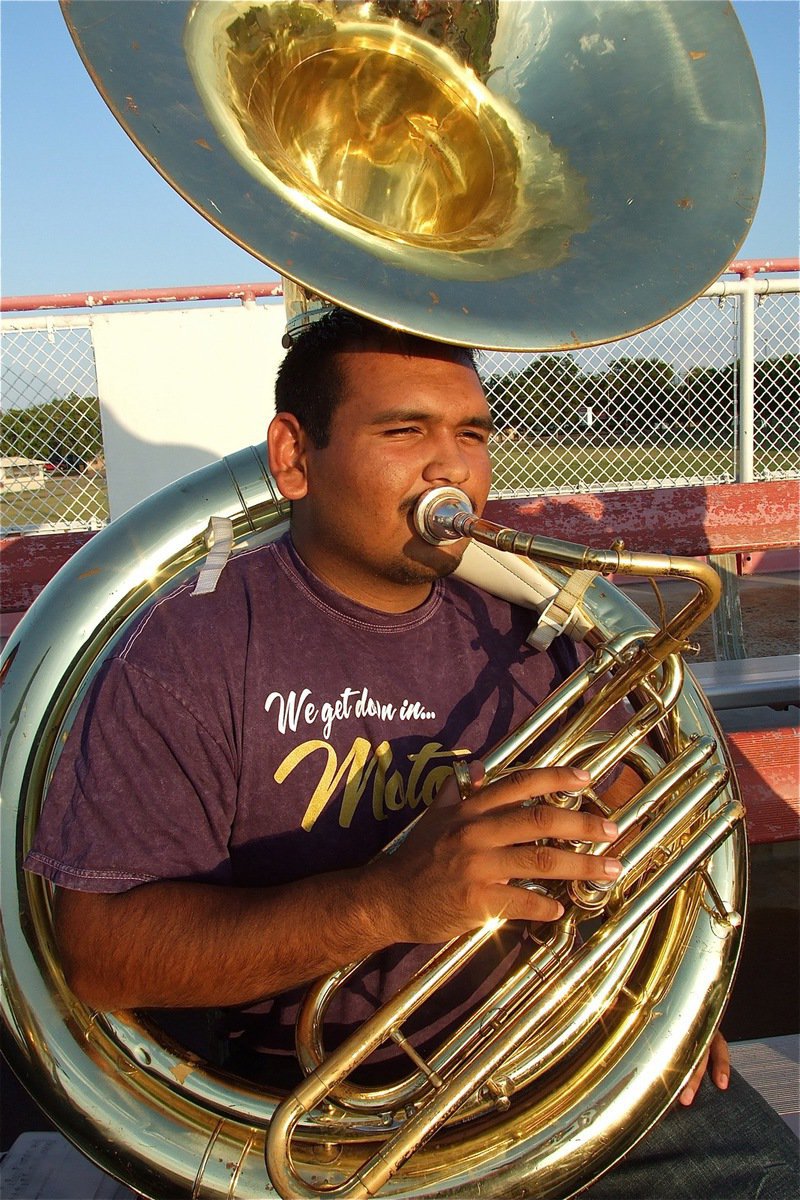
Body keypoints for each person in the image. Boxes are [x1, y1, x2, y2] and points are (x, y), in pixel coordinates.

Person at [25, 311, 798, 1197]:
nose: (451, 467)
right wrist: (387, 900)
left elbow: (642, 815)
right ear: (293, 457)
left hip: (566, 1062)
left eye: (472, 432)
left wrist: (666, 997)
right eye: (404, 431)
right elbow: (102, 952)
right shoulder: (187, 651)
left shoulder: (538, 622)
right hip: (317, 1119)